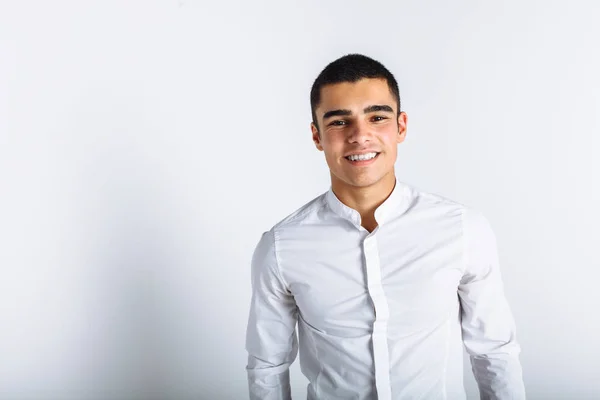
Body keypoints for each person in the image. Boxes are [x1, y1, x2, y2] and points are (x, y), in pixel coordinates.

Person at [245, 53, 526, 400]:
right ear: (317, 136)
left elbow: (494, 351)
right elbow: (267, 366)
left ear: (401, 126)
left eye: (377, 117)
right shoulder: (280, 247)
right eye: (338, 122)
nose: (360, 136)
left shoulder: (463, 229)